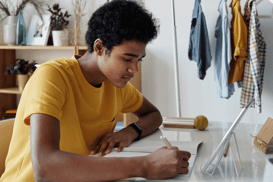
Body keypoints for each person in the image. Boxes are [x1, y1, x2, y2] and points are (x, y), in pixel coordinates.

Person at [0, 0, 191, 181]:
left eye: (139, 60)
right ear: (99, 47)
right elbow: (45, 168)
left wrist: (129, 132)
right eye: (127, 59)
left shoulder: (116, 85)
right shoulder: (52, 76)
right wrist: (144, 166)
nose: (134, 69)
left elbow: (153, 115)